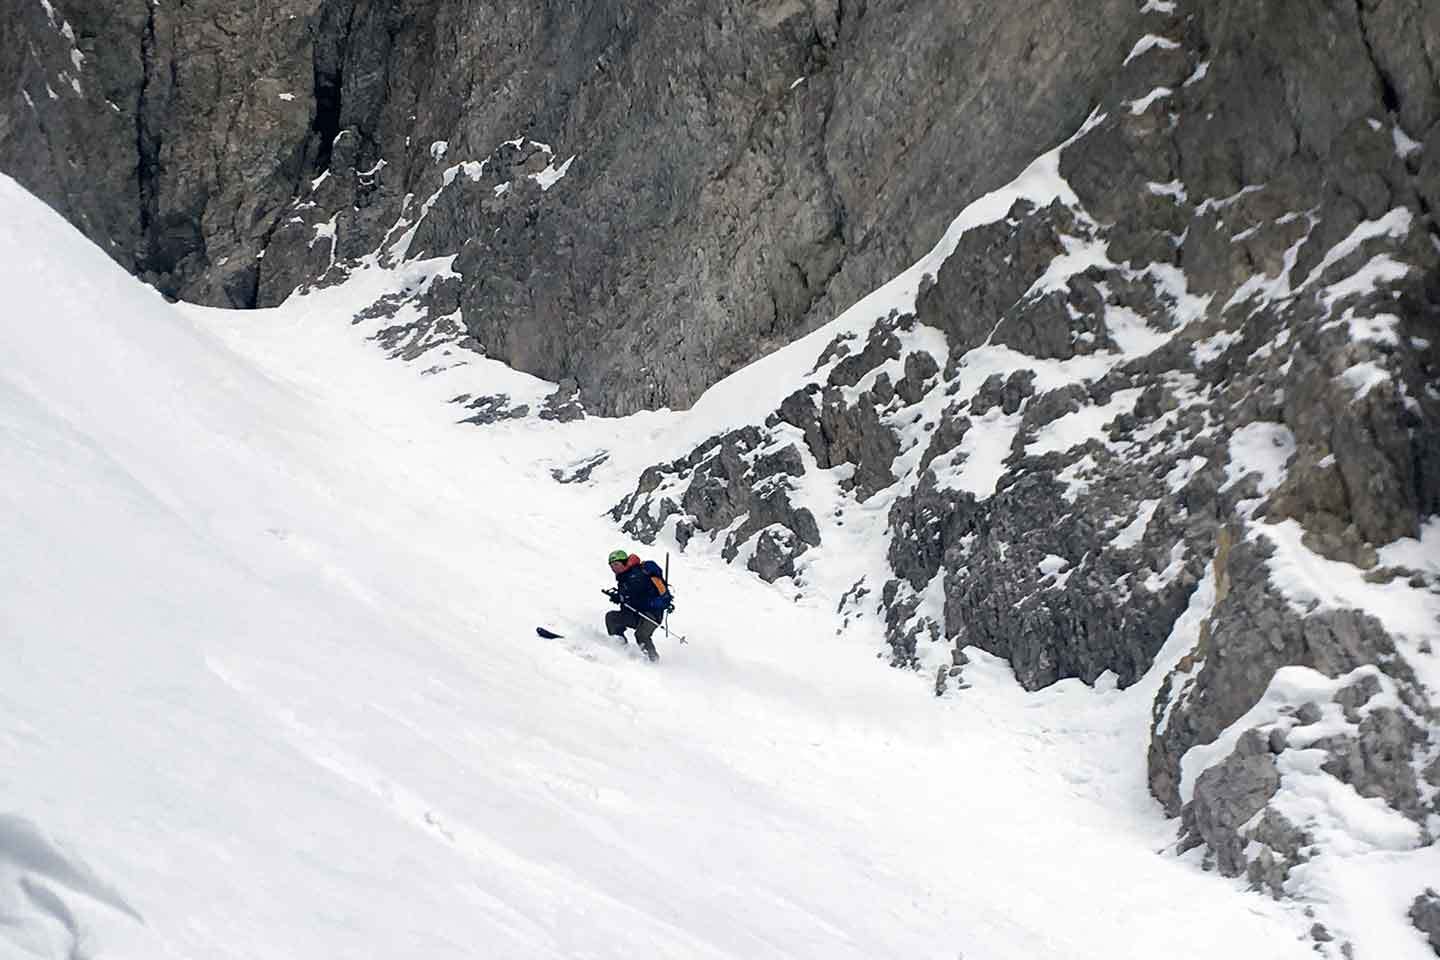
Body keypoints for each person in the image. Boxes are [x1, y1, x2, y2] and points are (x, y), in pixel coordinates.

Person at [603, 549, 672, 661]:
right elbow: (630, 598)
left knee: (641, 635)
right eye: (611, 566)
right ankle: (620, 649)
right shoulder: (623, 578)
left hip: (651, 614)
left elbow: (638, 595)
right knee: (612, 618)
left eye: (616, 564)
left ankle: (653, 660)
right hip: (636, 613)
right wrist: (619, 597)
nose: (614, 568)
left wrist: (624, 598)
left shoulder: (638, 574)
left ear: (624, 562)